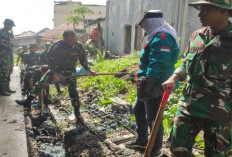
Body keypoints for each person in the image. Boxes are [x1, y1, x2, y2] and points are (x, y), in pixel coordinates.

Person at [162, 1, 232, 156]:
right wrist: (174, 77)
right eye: (200, 9)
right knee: (177, 151)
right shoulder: (197, 36)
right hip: (188, 107)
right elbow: (187, 62)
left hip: (218, 113)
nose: (199, 14)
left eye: (205, 10)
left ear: (223, 10)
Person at [125, 10, 180, 156]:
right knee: (138, 109)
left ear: (151, 22)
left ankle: (155, 150)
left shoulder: (163, 37)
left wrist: (150, 81)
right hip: (147, 82)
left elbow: (159, 62)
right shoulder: (156, 35)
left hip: (156, 84)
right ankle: (142, 140)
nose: (144, 29)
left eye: (145, 25)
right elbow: (149, 60)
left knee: (153, 118)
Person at [16, 30, 96, 124]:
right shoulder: (56, 46)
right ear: (64, 39)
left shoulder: (78, 46)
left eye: (74, 41)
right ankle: (27, 101)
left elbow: (83, 61)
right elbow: (49, 61)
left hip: (70, 71)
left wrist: (90, 70)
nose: (72, 43)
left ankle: (77, 113)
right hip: (56, 69)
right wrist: (54, 74)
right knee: (40, 83)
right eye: (70, 41)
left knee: (73, 91)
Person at [0, 19, 16, 96]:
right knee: (3, 71)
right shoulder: (1, 32)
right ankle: (2, 90)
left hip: (8, 55)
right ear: (7, 25)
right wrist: (7, 47)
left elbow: (9, 42)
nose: (12, 27)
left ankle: (7, 88)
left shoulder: (8, 33)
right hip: (3, 55)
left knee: (9, 71)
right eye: (11, 26)